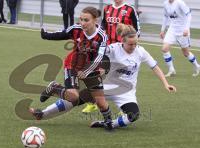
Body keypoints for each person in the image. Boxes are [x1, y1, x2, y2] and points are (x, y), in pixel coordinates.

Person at [29, 24, 176, 130]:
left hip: (126, 92)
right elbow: (97, 57)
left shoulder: (141, 51)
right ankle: (42, 113)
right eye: (130, 44)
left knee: (133, 115)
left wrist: (165, 84)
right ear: (122, 41)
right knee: (74, 99)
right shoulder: (112, 49)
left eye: (135, 43)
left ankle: (108, 123)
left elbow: (154, 67)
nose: (133, 47)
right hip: (105, 87)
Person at [37, 7, 114, 131]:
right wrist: (45, 35)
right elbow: (61, 34)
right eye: (81, 19)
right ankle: (55, 87)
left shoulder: (102, 37)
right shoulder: (76, 29)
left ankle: (109, 124)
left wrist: (87, 71)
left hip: (91, 68)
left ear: (95, 20)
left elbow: (99, 57)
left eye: (86, 20)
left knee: (100, 102)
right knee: (73, 97)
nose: (82, 23)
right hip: (73, 66)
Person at [82, 0, 141, 113]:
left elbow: (137, 29)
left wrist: (130, 45)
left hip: (122, 51)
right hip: (108, 49)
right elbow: (103, 26)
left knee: (122, 77)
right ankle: (92, 102)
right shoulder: (107, 8)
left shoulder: (129, 9)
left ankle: (123, 106)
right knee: (97, 74)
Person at [160, 0, 200, 77]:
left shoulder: (180, 3)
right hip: (172, 30)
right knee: (164, 49)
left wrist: (187, 28)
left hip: (183, 30)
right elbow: (165, 17)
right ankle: (171, 70)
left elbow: (189, 14)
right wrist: (162, 30)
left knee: (186, 53)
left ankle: (197, 66)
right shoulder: (165, 3)